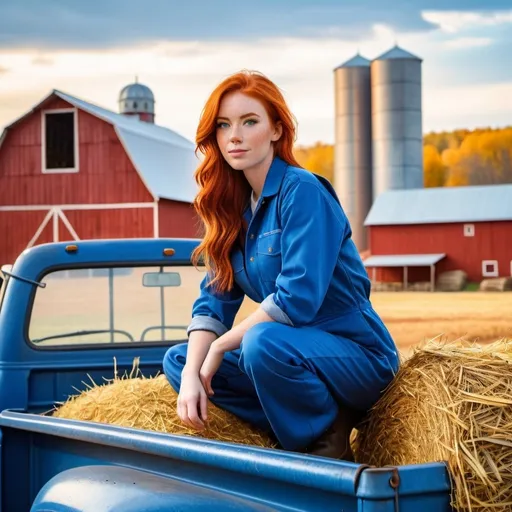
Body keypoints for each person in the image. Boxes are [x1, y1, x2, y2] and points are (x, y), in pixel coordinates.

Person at [163, 70, 399, 461]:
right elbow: (212, 304)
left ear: (276, 129)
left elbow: (296, 300)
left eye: (249, 121)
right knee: (181, 360)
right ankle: (311, 421)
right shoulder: (231, 212)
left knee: (260, 343)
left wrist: (222, 345)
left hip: (357, 358)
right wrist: (192, 373)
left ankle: (324, 437)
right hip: (289, 360)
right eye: (223, 125)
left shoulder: (302, 191)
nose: (234, 136)